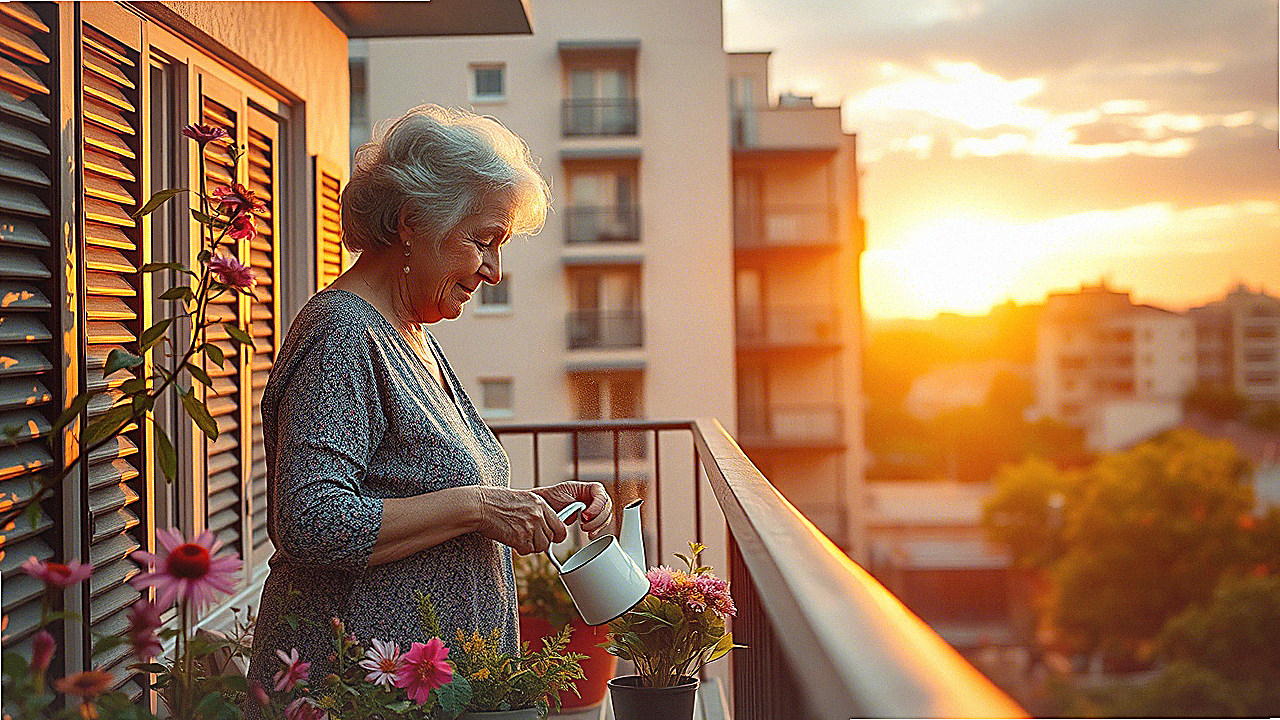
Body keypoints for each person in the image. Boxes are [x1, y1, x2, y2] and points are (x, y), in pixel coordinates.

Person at [244, 105, 612, 709]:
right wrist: (475, 506)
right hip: (361, 697)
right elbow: (310, 522)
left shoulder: (410, 334)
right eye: (483, 242)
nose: (494, 272)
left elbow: (423, 488)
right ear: (414, 222)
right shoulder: (341, 335)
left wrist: (532, 504)